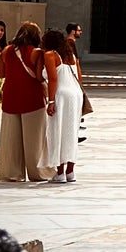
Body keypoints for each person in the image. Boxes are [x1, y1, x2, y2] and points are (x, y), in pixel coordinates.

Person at [0, 21, 56, 184]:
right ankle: (37, 171)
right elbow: (38, 77)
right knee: (34, 140)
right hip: (32, 99)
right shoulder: (36, 52)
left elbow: (1, 73)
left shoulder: (7, 51)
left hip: (10, 98)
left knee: (11, 139)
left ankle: (11, 173)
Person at [42, 27, 83, 183]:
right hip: (76, 94)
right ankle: (70, 171)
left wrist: (51, 101)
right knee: (72, 132)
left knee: (58, 131)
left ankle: (60, 172)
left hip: (61, 95)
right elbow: (79, 77)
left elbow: (52, 79)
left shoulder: (50, 55)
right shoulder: (71, 55)